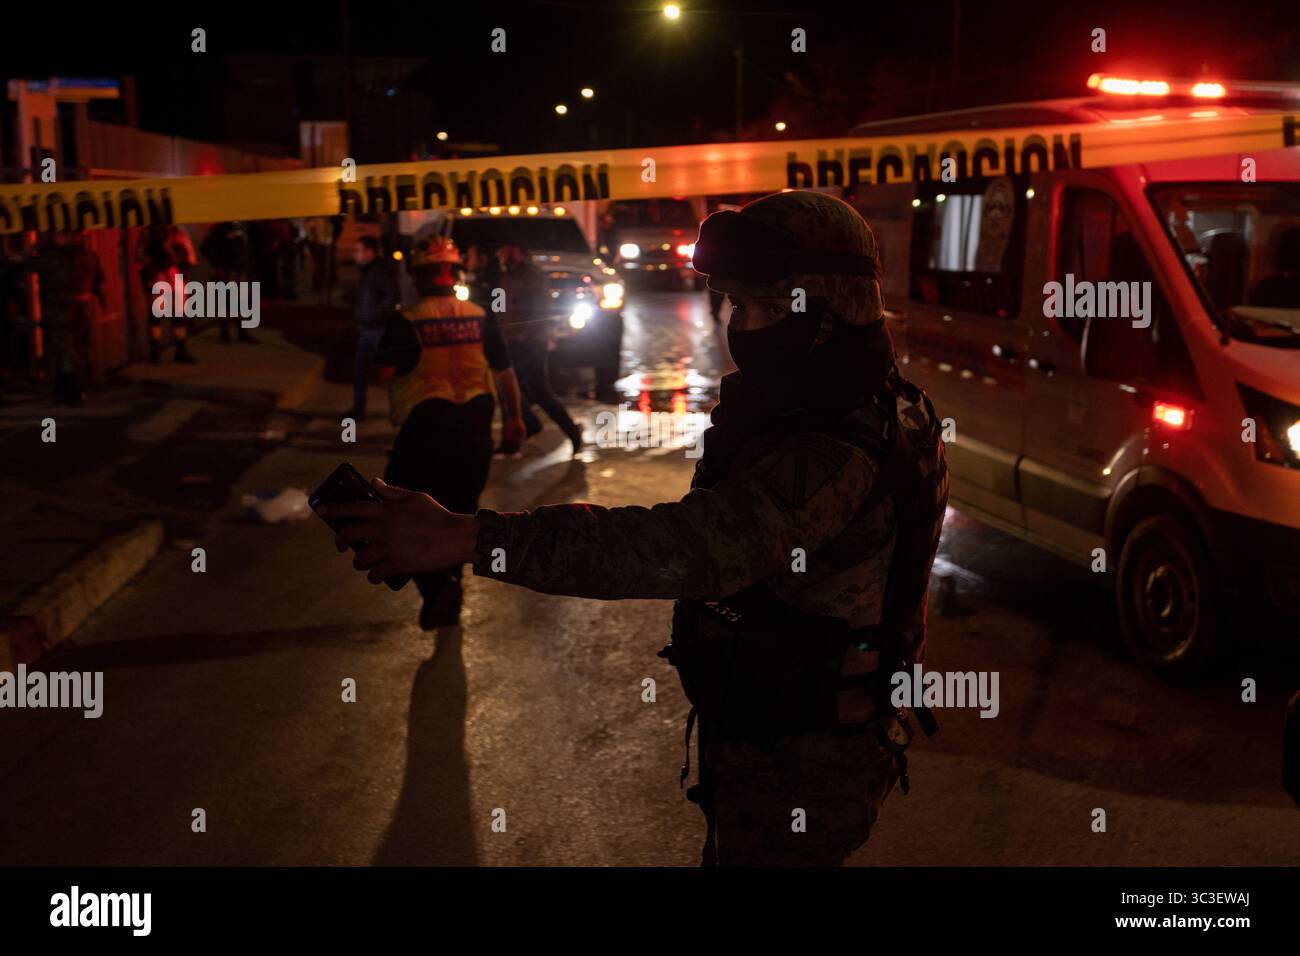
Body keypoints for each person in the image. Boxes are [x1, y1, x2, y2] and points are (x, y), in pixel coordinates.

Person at [320, 191, 950, 866]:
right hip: (774, 737)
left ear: (832, 308)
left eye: (769, 307)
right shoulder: (843, 402)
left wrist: (472, 538)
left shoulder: (836, 445)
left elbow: (686, 545)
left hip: (807, 767)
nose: (749, 325)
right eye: (740, 306)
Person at [372, 235, 526, 630]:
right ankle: (451, 580)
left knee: (404, 512)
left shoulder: (407, 319)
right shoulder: (478, 314)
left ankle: (437, 585)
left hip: (427, 430)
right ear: (456, 271)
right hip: (475, 430)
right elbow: (504, 370)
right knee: (458, 514)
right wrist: (515, 418)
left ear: (419, 276)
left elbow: (383, 373)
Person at [494, 242, 583, 456]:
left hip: (530, 341)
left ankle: (522, 432)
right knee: (532, 389)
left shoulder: (530, 275)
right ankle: (561, 430)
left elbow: (538, 308)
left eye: (505, 249)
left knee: (511, 386)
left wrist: (522, 333)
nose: (500, 254)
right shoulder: (510, 273)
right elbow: (503, 304)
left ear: (516, 250)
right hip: (518, 339)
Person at [40, 230, 106, 403]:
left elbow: (33, 265)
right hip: (81, 309)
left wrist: (38, 247)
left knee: (65, 350)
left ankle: (73, 391)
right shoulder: (90, 256)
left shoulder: (58, 257)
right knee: (76, 348)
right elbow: (99, 281)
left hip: (61, 310)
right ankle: (68, 387)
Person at [350, 235, 402, 419]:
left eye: (358, 250)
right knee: (360, 371)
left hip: (378, 328)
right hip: (367, 327)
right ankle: (358, 409)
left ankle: (398, 409)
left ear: (369, 252)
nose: (355, 254)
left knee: (389, 372)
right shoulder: (367, 271)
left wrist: (376, 315)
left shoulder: (379, 271)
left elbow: (391, 297)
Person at [138, 224, 195, 365]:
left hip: (172, 274)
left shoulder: (177, 231)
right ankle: (157, 352)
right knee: (157, 315)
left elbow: (188, 255)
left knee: (177, 314)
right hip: (160, 274)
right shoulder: (148, 232)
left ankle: (178, 350)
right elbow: (140, 255)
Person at [201, 222, 256, 344]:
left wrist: (249, 265)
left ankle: (242, 332)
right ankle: (225, 333)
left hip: (240, 269)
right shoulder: (218, 228)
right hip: (226, 269)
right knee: (225, 301)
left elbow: (246, 248)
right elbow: (206, 248)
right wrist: (218, 265)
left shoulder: (240, 227)